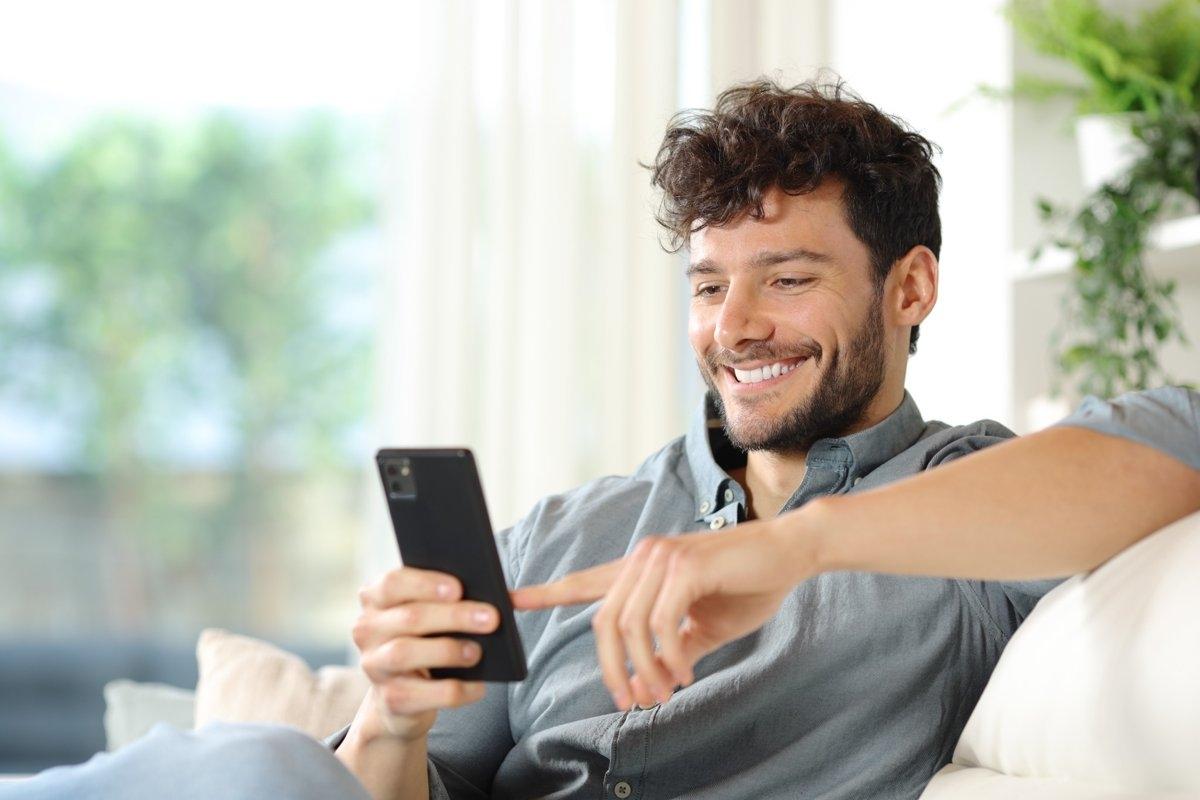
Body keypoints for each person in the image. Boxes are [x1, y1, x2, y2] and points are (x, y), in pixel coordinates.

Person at [4, 80, 1199, 800]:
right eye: (707, 284)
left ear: (911, 286)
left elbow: (1177, 436)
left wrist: (802, 545)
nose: (733, 327)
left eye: (787, 278)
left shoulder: (961, 515)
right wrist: (392, 719)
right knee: (264, 763)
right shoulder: (569, 529)